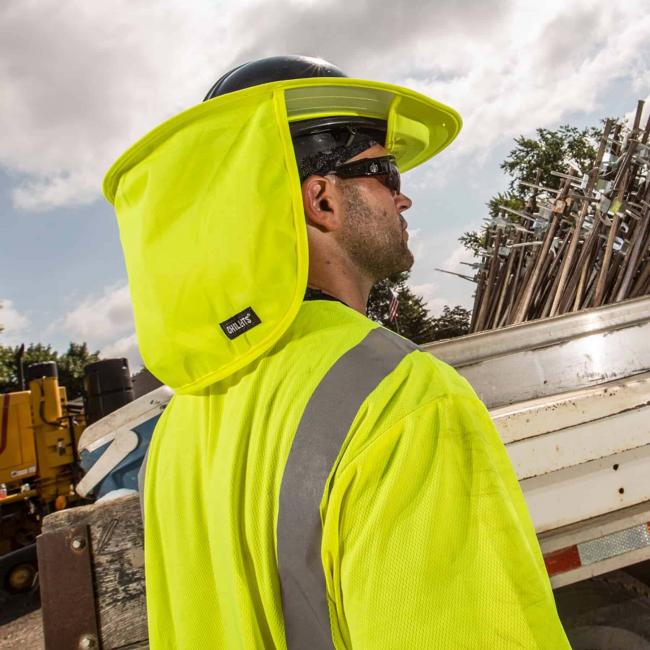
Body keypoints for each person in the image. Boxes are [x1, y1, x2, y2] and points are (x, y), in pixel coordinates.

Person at [104, 55, 570, 648]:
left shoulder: (178, 425)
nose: (404, 201)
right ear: (321, 199)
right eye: (386, 172)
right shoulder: (402, 397)